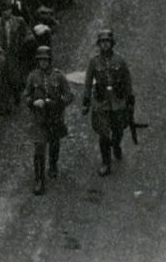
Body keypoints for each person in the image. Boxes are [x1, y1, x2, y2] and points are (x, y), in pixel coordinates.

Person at [82, 29, 133, 177]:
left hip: (117, 100)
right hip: (101, 101)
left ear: (112, 43)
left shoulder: (120, 60)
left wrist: (129, 98)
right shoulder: (94, 61)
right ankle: (106, 162)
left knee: (118, 130)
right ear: (99, 44)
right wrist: (86, 101)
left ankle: (116, 145)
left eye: (107, 42)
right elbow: (88, 82)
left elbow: (127, 79)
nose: (105, 45)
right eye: (102, 42)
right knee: (103, 134)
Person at [25, 45, 73, 194]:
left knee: (54, 143)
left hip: (54, 117)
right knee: (39, 148)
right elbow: (26, 95)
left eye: (46, 60)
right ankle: (39, 179)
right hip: (39, 118)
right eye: (41, 60)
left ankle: (53, 164)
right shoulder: (32, 76)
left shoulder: (59, 76)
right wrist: (32, 102)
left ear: (50, 60)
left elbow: (69, 96)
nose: (43, 63)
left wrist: (56, 103)